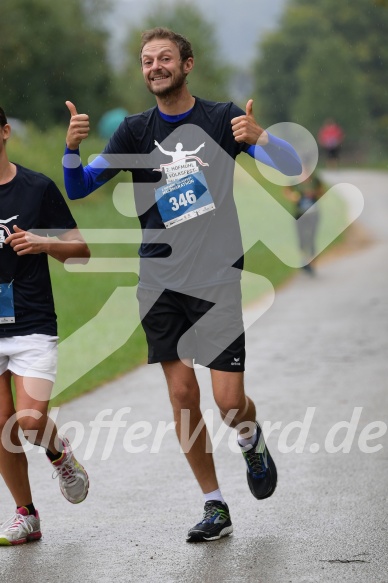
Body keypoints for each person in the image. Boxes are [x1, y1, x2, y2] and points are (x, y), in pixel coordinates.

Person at [62, 27, 302, 542]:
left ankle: (250, 440)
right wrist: (71, 150)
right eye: (147, 60)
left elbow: (293, 168)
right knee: (181, 392)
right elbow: (79, 187)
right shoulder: (132, 131)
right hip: (160, 281)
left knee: (229, 400)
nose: (155, 67)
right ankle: (214, 504)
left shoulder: (220, 118)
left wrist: (260, 138)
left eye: (165, 58)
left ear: (187, 64)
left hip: (216, 277)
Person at [0, 107, 90, 545]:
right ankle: (26, 513)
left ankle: (59, 454)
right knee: (1, 425)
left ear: (4, 132)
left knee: (30, 420)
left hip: (32, 322)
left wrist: (43, 243)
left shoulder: (36, 187)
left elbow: (82, 250)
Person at [284, 170, 324, 275]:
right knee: (301, 239)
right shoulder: (295, 181)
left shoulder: (315, 180)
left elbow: (321, 190)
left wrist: (313, 194)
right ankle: (304, 261)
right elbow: (287, 191)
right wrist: (294, 197)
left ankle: (311, 264)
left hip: (313, 213)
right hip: (299, 214)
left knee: (311, 238)